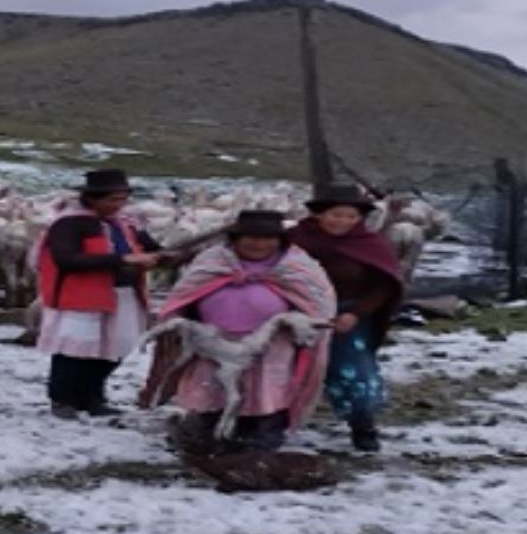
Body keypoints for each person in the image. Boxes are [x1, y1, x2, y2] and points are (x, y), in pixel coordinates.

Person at [140, 210, 338, 453]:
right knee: (213, 390)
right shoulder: (212, 262)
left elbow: (317, 304)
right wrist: (181, 322)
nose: (258, 244)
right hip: (215, 340)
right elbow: (184, 295)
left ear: (279, 240)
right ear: (236, 238)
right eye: (250, 237)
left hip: (270, 345)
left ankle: (263, 433)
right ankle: (208, 430)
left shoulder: (296, 268)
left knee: (265, 392)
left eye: (267, 239)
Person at [34, 168, 164, 418]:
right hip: (81, 296)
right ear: (93, 198)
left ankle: (92, 396)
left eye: (122, 199)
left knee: (114, 349)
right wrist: (123, 259)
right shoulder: (69, 224)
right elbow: (67, 259)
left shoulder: (125, 224)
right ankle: (63, 399)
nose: (119, 205)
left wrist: (167, 256)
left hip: (123, 293)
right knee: (74, 351)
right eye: (112, 199)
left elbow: (151, 249)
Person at [290, 184, 407, 451]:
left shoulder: (370, 245)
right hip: (296, 313)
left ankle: (362, 424)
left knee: (352, 368)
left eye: (350, 217)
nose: (342, 222)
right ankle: (265, 424)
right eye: (335, 215)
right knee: (280, 366)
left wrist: (355, 314)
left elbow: (383, 285)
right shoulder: (295, 240)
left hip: (346, 314)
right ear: (319, 214)